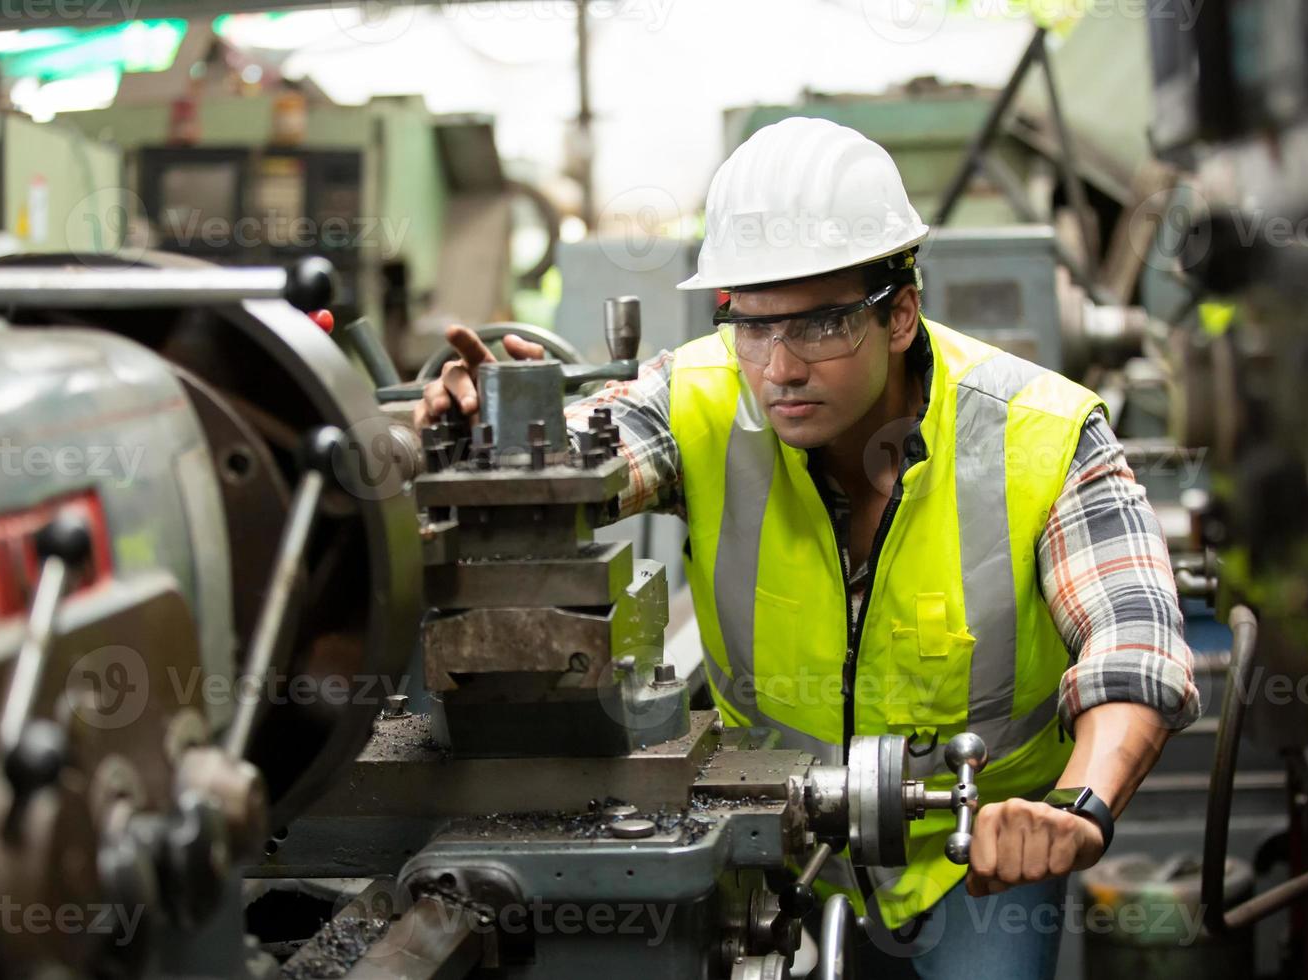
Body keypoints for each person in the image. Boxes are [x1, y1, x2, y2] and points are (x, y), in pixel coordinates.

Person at [415, 117, 1199, 979]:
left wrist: (1074, 808)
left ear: (900, 313)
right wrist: (499, 438)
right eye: (751, 326)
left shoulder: (1041, 435)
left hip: (975, 849)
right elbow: (596, 455)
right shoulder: (703, 395)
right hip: (778, 836)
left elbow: (1137, 644)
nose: (778, 367)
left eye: (820, 326)